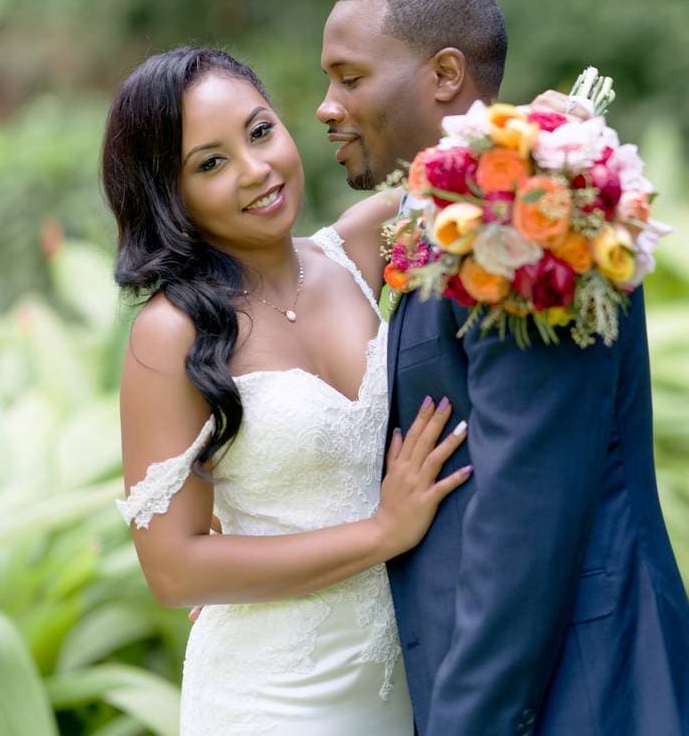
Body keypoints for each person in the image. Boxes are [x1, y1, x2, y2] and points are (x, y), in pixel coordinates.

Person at [316, 0, 689, 734]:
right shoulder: (436, 216)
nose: (327, 106)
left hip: (588, 682)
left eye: (350, 77)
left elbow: (523, 518)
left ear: (443, 73)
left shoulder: (527, 215)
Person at [104, 46, 473, 735]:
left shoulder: (369, 245)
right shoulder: (171, 333)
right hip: (271, 698)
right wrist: (381, 532)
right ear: (168, 193)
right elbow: (174, 570)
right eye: (210, 163)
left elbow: (489, 170)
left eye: (260, 130)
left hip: (406, 678)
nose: (256, 169)